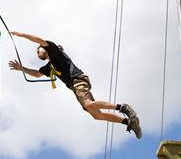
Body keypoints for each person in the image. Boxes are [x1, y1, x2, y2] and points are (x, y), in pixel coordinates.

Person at [8, 31, 142, 139]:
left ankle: (123, 108)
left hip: (77, 78)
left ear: (44, 49)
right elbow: (37, 74)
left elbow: (40, 40)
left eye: (39, 50)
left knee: (88, 104)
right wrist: (21, 68)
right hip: (74, 86)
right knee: (96, 115)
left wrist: (21, 35)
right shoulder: (49, 67)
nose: (38, 54)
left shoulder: (54, 51)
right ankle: (128, 122)